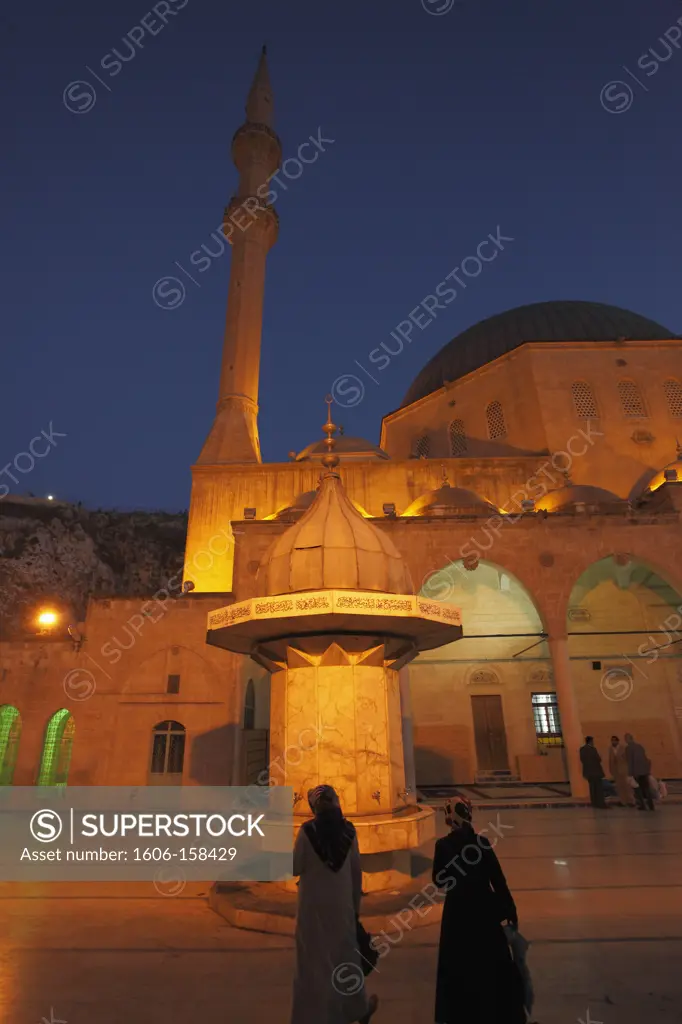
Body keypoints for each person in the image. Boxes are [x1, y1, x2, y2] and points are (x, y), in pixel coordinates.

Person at [432, 798, 526, 1024]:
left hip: (457, 913)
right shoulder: (481, 843)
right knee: (490, 963)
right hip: (484, 910)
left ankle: (462, 1014)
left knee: (459, 963)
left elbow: (438, 880)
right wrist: (510, 910)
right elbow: (498, 879)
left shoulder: (443, 846)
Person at [291, 785, 378, 1024]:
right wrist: (355, 909)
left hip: (312, 910)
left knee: (312, 962)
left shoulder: (307, 831)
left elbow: (295, 867)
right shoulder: (348, 832)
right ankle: (356, 1010)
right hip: (341, 908)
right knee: (346, 958)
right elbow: (355, 872)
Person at [624, 733, 654, 811]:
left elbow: (630, 761)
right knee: (647, 789)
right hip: (644, 771)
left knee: (638, 790)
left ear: (627, 739)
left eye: (626, 739)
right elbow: (645, 758)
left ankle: (642, 805)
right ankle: (651, 805)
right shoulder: (640, 746)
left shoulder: (628, 748)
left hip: (636, 772)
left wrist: (630, 774)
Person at [580, 736, 607, 808]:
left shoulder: (582, 749)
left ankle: (594, 803)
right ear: (591, 741)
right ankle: (600, 803)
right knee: (598, 788)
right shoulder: (593, 749)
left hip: (588, 772)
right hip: (596, 771)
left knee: (592, 788)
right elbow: (598, 759)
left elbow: (582, 760)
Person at [609, 735, 635, 807]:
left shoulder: (623, 748)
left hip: (624, 770)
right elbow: (610, 760)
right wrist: (611, 770)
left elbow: (627, 758)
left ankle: (631, 801)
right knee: (619, 787)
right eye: (612, 740)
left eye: (614, 740)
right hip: (616, 771)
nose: (613, 742)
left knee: (627, 786)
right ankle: (623, 801)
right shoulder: (611, 749)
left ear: (617, 741)